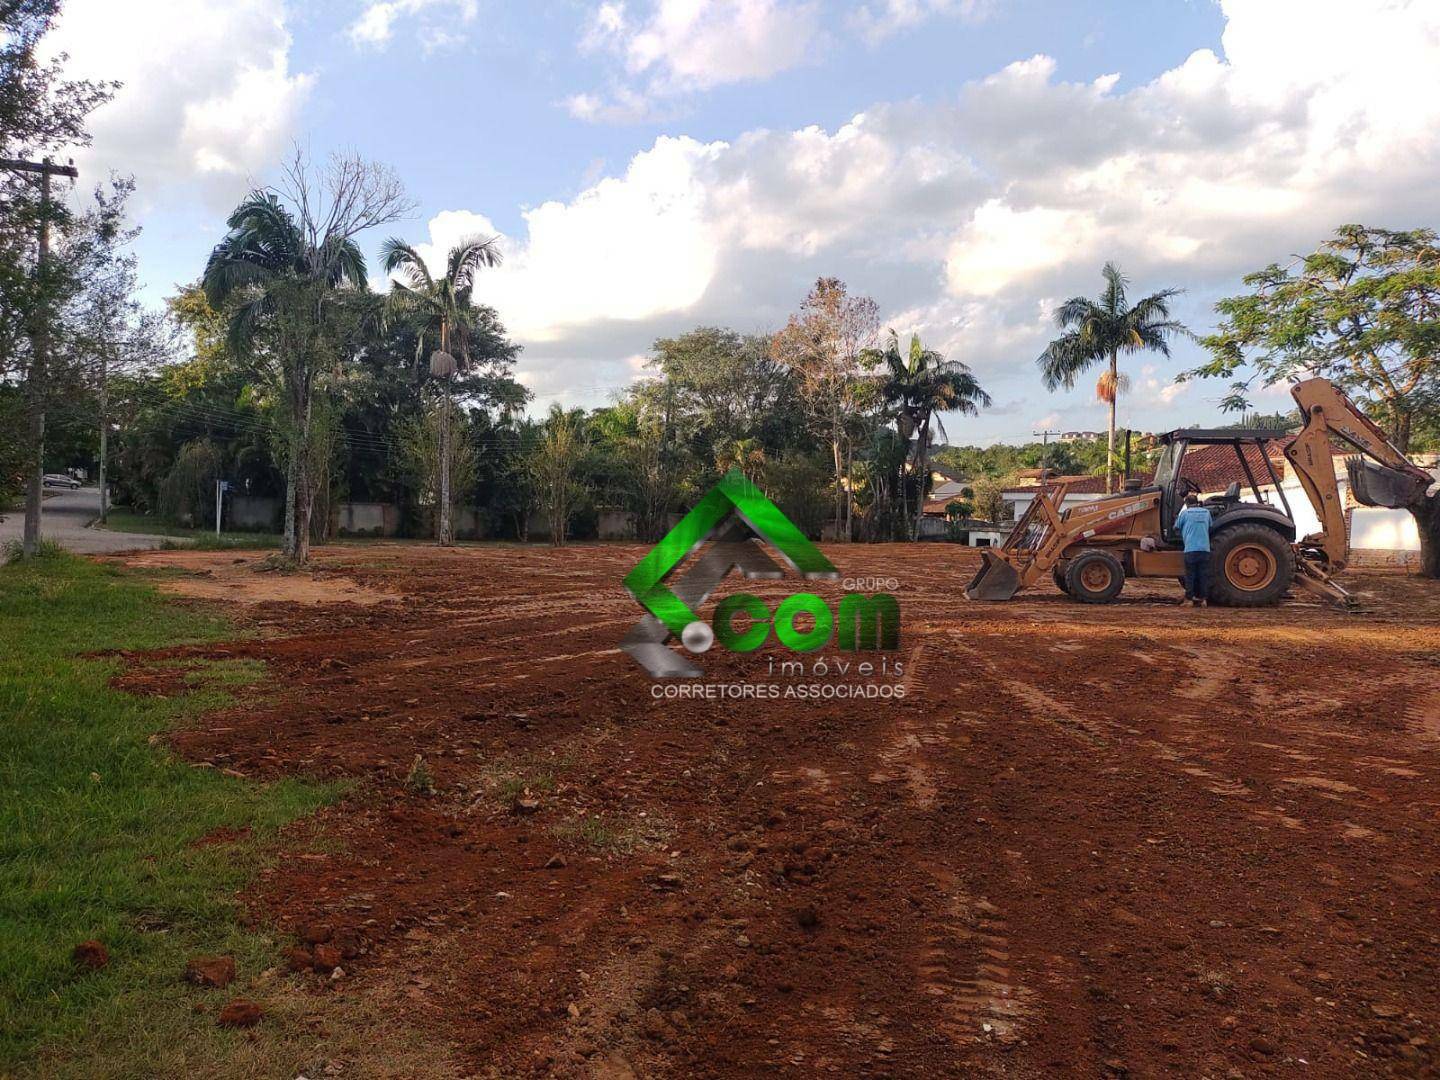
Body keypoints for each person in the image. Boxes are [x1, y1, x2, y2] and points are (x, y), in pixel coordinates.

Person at [1174, 493, 1213, 607]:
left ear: (1186, 503)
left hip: (1190, 549)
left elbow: (1176, 527)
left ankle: (1189, 599)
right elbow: (1210, 526)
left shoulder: (1185, 514)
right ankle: (1203, 600)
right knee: (1203, 575)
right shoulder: (1206, 513)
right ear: (1197, 502)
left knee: (1190, 575)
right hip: (1205, 549)